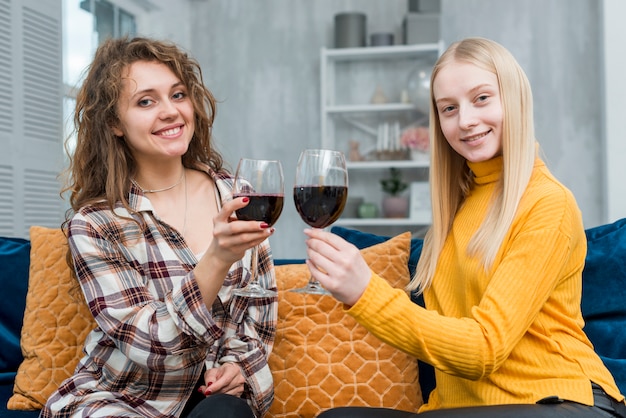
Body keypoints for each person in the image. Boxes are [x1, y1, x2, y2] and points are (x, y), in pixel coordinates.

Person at [305, 37, 626, 417]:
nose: (466, 120)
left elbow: (483, 348)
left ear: (514, 98)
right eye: (449, 108)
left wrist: (366, 293)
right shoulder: (457, 204)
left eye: (482, 98)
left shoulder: (548, 203)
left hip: (561, 401)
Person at [40, 37, 277, 418]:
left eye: (178, 94)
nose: (171, 111)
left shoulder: (238, 196)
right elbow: (151, 346)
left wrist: (238, 369)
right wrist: (217, 258)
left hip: (214, 403)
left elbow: (256, 315)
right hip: (124, 400)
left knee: (226, 412)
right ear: (115, 123)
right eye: (146, 101)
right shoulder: (97, 224)